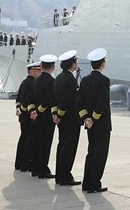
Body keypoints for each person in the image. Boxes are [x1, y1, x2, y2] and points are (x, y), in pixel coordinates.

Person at [79, 48, 111, 194]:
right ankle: (94, 184)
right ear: (102, 64)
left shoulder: (85, 80)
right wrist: (94, 118)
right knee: (100, 154)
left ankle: (86, 183)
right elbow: (102, 102)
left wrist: (87, 118)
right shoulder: (104, 80)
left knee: (91, 152)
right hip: (101, 124)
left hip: (89, 124)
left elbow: (80, 102)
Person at [54, 50, 82, 186]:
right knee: (69, 148)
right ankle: (65, 176)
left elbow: (56, 99)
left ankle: (60, 175)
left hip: (62, 120)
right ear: (72, 64)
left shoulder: (59, 78)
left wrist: (57, 115)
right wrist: (60, 115)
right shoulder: (70, 80)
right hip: (70, 119)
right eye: (75, 62)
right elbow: (66, 101)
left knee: (62, 146)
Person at [32, 54, 58, 179]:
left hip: (36, 117)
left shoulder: (36, 80)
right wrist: (39, 111)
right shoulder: (52, 82)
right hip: (46, 117)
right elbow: (49, 100)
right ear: (53, 67)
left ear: (41, 66)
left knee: (37, 142)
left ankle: (35, 168)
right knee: (45, 144)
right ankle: (43, 169)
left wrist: (34, 112)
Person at [15, 61, 40, 172]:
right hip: (28, 117)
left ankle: (19, 163)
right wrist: (28, 111)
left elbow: (18, 100)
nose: (39, 72)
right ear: (32, 71)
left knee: (24, 139)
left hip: (24, 116)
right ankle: (25, 163)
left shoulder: (24, 82)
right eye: (38, 70)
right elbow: (25, 101)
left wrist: (19, 108)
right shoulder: (31, 83)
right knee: (29, 141)